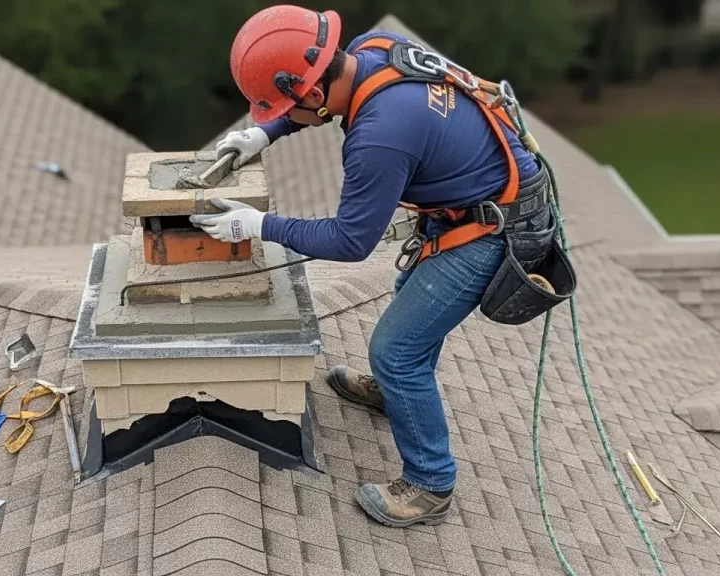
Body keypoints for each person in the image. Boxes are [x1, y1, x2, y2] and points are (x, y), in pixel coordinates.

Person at [190, 5, 557, 527]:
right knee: (412, 299)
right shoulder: (373, 48)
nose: (280, 115)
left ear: (314, 96)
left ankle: (430, 486)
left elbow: (350, 240)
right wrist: (266, 133)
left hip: (495, 229)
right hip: (474, 198)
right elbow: (314, 99)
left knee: (396, 350)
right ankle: (395, 396)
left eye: (283, 109)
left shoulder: (379, 137)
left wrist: (257, 226)